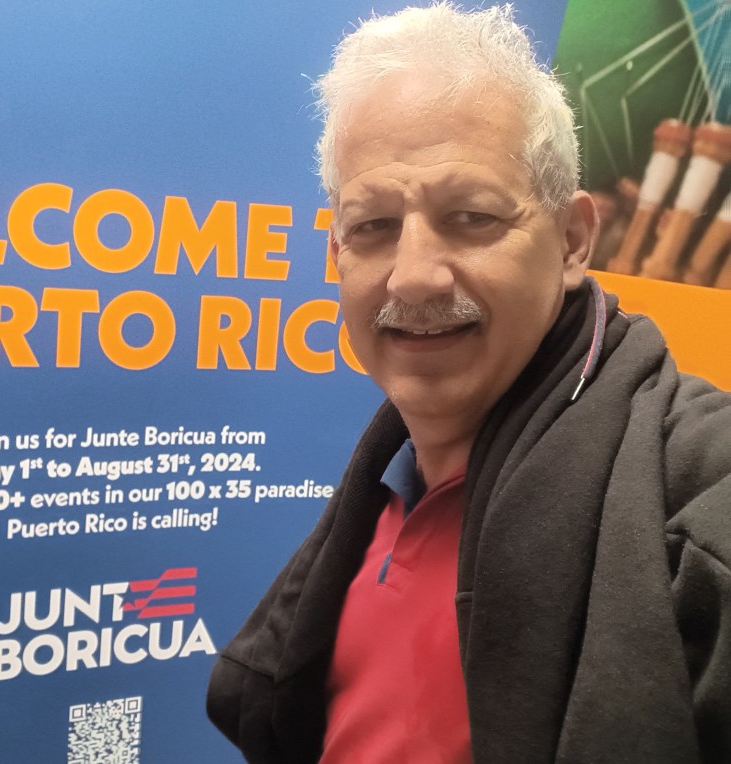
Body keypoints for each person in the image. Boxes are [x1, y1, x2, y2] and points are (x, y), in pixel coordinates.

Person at [206, 4, 731, 762]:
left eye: (472, 216)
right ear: (336, 254)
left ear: (572, 241)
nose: (413, 276)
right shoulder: (384, 487)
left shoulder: (698, 500)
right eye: (373, 226)